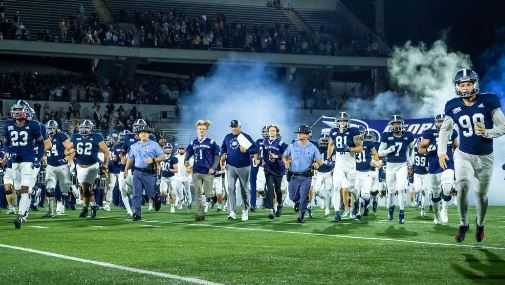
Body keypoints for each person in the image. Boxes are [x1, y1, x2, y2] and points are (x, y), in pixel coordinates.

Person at [437, 68, 505, 242]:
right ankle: (463, 223)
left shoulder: (489, 101)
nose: (465, 88)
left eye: (468, 84)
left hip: (485, 157)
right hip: (463, 154)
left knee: (481, 195)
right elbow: (445, 130)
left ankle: (480, 224)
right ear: (457, 87)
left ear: (475, 84)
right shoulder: (452, 105)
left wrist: (488, 132)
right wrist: (441, 152)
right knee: (462, 187)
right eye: (462, 85)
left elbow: (503, 127)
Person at [4, 102, 51, 229]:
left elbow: (45, 144)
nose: (16, 113)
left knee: (25, 189)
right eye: (15, 110)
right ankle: (30, 199)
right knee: (19, 190)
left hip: (29, 161)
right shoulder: (8, 125)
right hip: (15, 161)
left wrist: (38, 157)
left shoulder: (36, 126)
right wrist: (8, 153)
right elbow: (6, 143)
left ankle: (21, 215)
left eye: (20, 110)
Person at [419, 114, 459, 224]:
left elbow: (456, 147)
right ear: (435, 122)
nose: (441, 124)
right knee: (435, 193)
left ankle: (444, 209)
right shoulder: (429, 133)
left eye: (443, 121)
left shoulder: (452, 132)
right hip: (434, 166)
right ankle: (436, 215)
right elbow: (420, 150)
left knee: (447, 188)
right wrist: (429, 150)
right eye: (439, 121)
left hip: (447, 164)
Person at [378, 115, 415, 224]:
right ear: (391, 125)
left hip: (402, 165)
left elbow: (412, 149)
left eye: (398, 123)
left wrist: (410, 162)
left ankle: (401, 213)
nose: (397, 125)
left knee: (401, 189)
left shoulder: (408, 136)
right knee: (391, 191)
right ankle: (390, 210)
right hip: (390, 166)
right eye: (394, 124)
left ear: (402, 124)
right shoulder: (386, 136)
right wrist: (389, 150)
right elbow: (380, 153)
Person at [326, 112, 363, 222]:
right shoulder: (333, 131)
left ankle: (356, 204)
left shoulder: (354, 131)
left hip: (350, 164)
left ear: (348, 122)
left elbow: (360, 148)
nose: (342, 123)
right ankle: (337, 213)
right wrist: (329, 157)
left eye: (344, 121)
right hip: (339, 164)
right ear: (337, 122)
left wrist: (350, 149)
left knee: (352, 189)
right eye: (341, 121)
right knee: (336, 187)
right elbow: (331, 144)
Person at [124, 123, 164, 221]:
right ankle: (137, 214)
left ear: (149, 134)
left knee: (150, 194)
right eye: (142, 133)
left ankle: (156, 198)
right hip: (137, 172)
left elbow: (163, 156)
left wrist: (154, 160)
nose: (143, 134)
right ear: (138, 134)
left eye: (146, 133)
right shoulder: (134, 146)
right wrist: (126, 169)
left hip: (149, 172)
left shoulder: (154, 145)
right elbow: (130, 159)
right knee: (136, 193)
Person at [283, 125, 322, 223]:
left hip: (306, 176)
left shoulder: (313, 147)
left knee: (304, 196)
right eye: (299, 133)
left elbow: (319, 161)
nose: (299, 135)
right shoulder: (292, 145)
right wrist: (286, 162)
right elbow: (284, 156)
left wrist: (316, 164)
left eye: (301, 133)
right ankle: (299, 204)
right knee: (292, 197)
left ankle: (301, 216)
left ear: (308, 135)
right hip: (293, 175)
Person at [220, 120, 258, 222]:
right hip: (231, 166)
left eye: (235, 126)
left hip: (244, 167)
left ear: (240, 127)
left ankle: (245, 210)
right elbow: (223, 149)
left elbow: (255, 149)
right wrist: (223, 156)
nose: (234, 128)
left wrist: (247, 150)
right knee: (230, 188)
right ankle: (232, 211)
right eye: (232, 127)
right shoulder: (227, 137)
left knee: (244, 189)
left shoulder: (245, 136)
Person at [70, 119, 109, 219]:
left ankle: (87, 207)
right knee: (84, 189)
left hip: (92, 165)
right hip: (80, 166)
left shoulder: (97, 136)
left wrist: (105, 165)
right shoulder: (75, 137)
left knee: (86, 187)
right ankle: (90, 206)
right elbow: (70, 149)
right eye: (83, 128)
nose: (84, 130)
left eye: (87, 128)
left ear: (91, 129)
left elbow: (106, 151)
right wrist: (69, 156)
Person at [185, 120, 220, 221]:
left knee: (208, 193)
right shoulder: (193, 142)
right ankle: (200, 213)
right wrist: (186, 161)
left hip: (208, 171)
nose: (201, 131)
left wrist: (213, 167)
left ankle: (212, 198)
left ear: (206, 130)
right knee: (198, 193)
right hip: (196, 171)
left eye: (203, 129)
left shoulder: (211, 142)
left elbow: (217, 156)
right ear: (197, 130)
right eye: (200, 129)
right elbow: (188, 153)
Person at [43, 120, 73, 218]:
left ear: (56, 128)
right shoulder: (44, 137)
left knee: (62, 188)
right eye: (49, 128)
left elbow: (71, 149)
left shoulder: (61, 136)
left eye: (52, 128)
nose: (50, 130)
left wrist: (66, 159)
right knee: (50, 188)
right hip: (50, 165)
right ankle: (51, 210)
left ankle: (61, 205)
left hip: (61, 165)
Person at [262, 124, 288, 219]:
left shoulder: (281, 143)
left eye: (273, 131)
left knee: (278, 189)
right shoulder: (264, 142)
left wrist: (277, 157)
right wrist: (263, 161)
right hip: (268, 169)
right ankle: (271, 210)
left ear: (277, 132)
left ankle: (280, 204)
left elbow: (286, 155)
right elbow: (264, 155)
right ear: (268, 132)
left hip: (278, 169)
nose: (271, 132)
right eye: (270, 131)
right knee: (270, 188)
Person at [159, 143, 179, 213]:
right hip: (163, 177)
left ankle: (172, 207)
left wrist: (169, 169)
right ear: (163, 149)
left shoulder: (174, 158)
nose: (168, 149)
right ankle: (167, 196)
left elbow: (176, 170)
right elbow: (158, 167)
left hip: (171, 178)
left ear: (171, 149)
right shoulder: (160, 157)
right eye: (166, 148)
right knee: (162, 193)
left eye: (169, 148)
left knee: (172, 193)